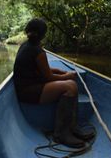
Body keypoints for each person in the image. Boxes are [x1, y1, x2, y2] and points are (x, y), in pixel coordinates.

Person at [13, 18, 94, 148]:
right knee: (70, 86)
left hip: (27, 87)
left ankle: (71, 128)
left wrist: (59, 71)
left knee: (70, 84)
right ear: (43, 34)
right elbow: (49, 77)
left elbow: (41, 69)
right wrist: (67, 75)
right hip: (28, 92)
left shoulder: (26, 45)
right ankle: (62, 134)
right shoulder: (38, 51)